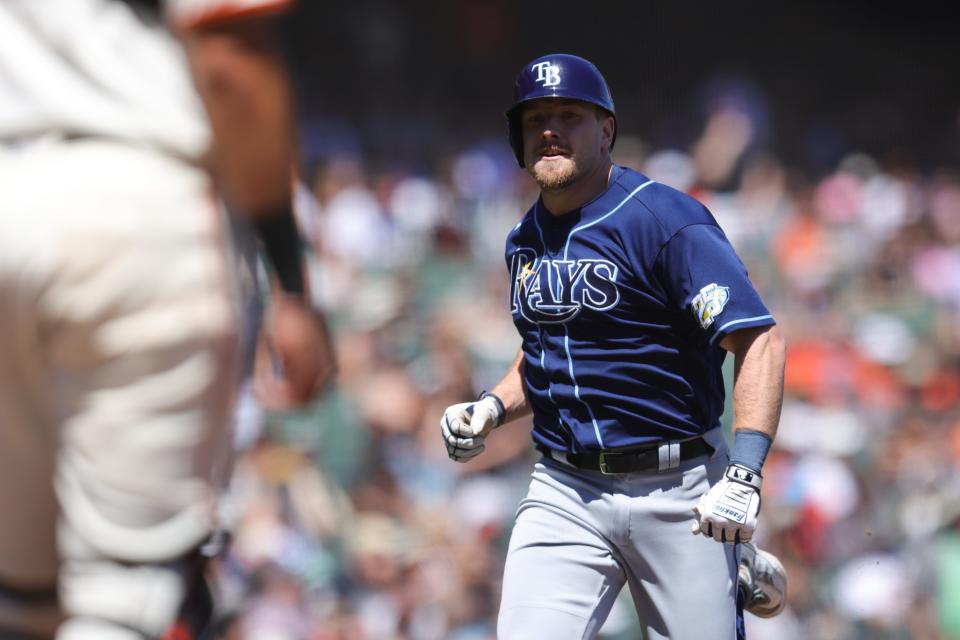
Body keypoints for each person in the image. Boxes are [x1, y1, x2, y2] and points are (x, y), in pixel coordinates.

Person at [0, 1, 334, 638]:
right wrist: (290, 281)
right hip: (133, 204)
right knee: (128, 602)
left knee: (23, 602)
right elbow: (231, 63)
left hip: (8, 192)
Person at [440, 53, 787, 639]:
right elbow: (548, 353)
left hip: (678, 490)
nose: (549, 130)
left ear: (606, 131)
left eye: (568, 116)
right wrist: (492, 406)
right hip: (565, 490)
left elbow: (759, 339)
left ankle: (732, 559)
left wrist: (746, 475)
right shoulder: (525, 239)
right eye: (534, 120)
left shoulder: (664, 221)